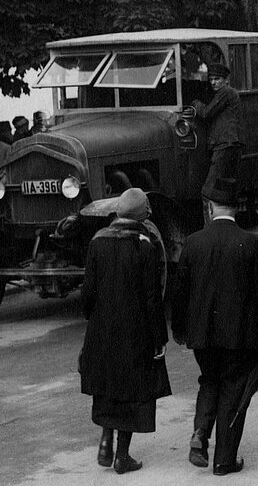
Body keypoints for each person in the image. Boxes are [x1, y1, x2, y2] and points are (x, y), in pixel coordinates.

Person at [169, 179, 258, 476]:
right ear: (237, 208)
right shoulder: (250, 242)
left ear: (210, 208)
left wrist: (179, 329)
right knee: (234, 389)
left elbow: (179, 293)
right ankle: (224, 461)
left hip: (201, 336)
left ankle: (200, 433)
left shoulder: (193, 243)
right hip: (240, 336)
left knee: (210, 381)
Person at [78, 200, 172, 475]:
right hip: (135, 332)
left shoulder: (98, 242)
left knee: (107, 386)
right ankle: (122, 456)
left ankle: (105, 442)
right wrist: (159, 339)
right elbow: (153, 299)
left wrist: (93, 321)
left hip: (102, 329)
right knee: (132, 391)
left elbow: (88, 292)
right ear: (142, 216)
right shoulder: (145, 245)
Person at [191, 62, 243, 188]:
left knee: (209, 188)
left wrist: (195, 103)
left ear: (226, 80)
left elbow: (206, 113)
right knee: (222, 187)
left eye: (217, 79)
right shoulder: (227, 92)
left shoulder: (225, 92)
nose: (213, 83)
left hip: (224, 144)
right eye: (211, 79)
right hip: (228, 143)